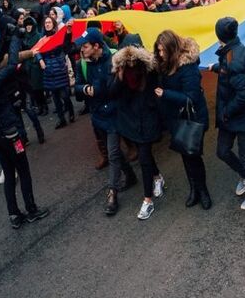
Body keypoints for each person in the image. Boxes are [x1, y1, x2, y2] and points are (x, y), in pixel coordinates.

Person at [0, 35, 49, 229]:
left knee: (9, 173)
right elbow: (12, 63)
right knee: (23, 170)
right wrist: (13, 39)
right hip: (11, 133)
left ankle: (13, 214)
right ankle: (31, 209)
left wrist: (4, 37)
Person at [73, 28, 137, 216]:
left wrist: (98, 89)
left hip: (116, 114)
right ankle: (131, 177)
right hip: (98, 116)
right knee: (114, 153)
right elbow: (76, 89)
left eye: (84, 46)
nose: (81, 50)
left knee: (114, 154)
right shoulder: (82, 64)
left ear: (96, 46)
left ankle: (112, 194)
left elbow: (114, 89)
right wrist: (85, 89)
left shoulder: (115, 60)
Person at [154, 29, 211, 210]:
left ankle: (203, 191)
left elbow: (191, 97)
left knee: (193, 155)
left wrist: (165, 93)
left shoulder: (188, 67)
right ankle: (193, 189)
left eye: (163, 50)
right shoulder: (164, 64)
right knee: (185, 155)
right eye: (159, 50)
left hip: (193, 118)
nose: (160, 54)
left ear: (172, 49)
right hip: (176, 118)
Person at [210, 17, 245, 210]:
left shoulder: (235, 56)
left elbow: (244, 94)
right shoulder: (231, 51)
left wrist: (226, 111)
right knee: (222, 151)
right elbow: (229, 71)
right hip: (231, 116)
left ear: (220, 36)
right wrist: (216, 68)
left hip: (241, 116)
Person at [106, 42, 162, 221]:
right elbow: (112, 93)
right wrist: (119, 77)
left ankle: (148, 200)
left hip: (147, 119)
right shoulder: (120, 71)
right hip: (130, 121)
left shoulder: (149, 69)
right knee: (143, 153)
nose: (131, 64)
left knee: (144, 157)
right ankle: (157, 176)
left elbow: (156, 88)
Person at [36, 18, 76, 129]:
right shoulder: (42, 39)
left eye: (49, 22)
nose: (47, 24)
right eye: (46, 23)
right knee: (55, 98)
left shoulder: (59, 35)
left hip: (59, 68)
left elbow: (67, 44)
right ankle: (61, 119)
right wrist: (40, 59)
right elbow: (37, 50)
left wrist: (68, 32)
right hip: (48, 70)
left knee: (65, 95)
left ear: (53, 24)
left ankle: (71, 112)